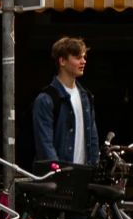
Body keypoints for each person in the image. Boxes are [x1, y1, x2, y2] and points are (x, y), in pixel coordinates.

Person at [31, 34, 100, 169]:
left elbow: (92, 138)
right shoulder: (46, 99)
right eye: (77, 57)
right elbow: (45, 144)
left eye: (84, 57)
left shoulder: (86, 96)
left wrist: (94, 169)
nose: (83, 61)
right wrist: (60, 173)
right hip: (59, 178)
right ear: (62, 61)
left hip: (83, 175)